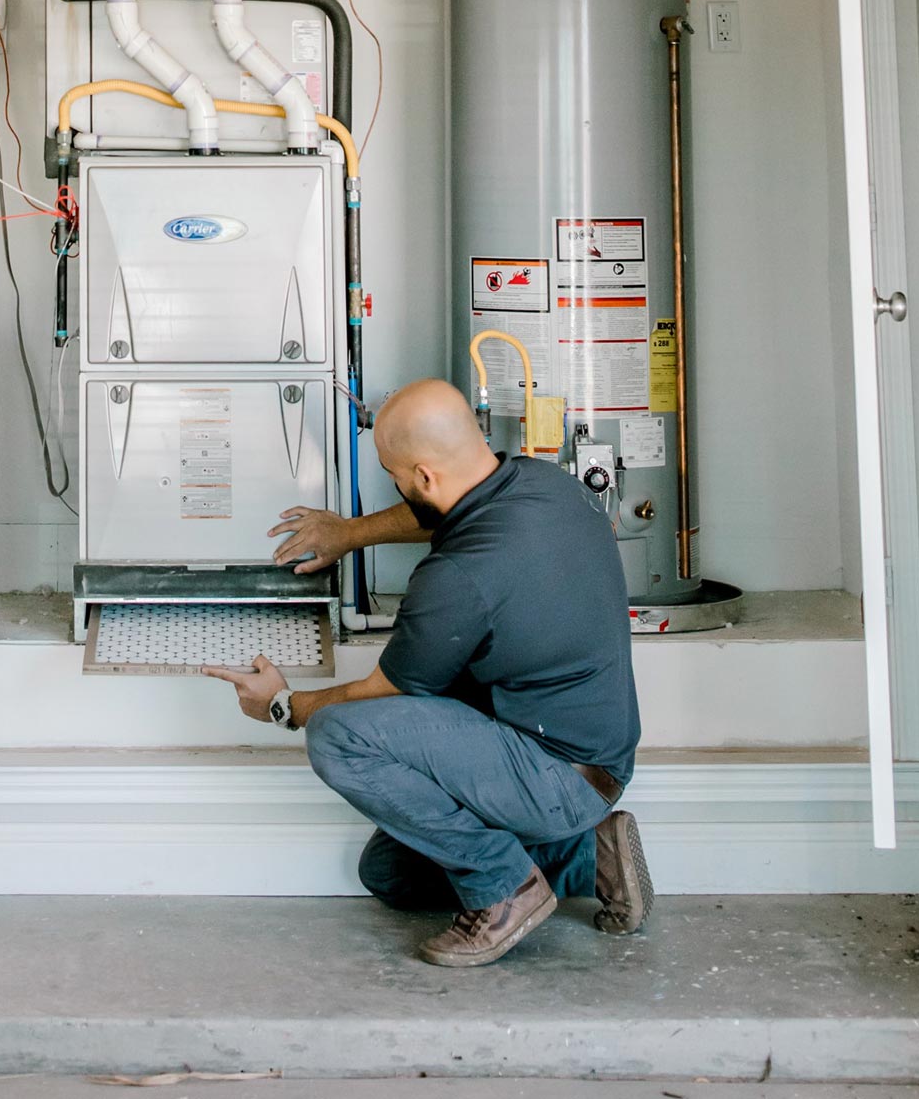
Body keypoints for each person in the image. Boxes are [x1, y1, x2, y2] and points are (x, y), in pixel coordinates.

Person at [203, 378, 649, 967]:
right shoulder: (548, 486)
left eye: (395, 473)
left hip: (552, 777)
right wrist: (350, 533)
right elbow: (444, 515)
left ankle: (505, 893)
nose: (396, 483)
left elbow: (375, 696)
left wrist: (282, 705)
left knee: (339, 734)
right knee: (389, 874)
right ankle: (589, 856)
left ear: (424, 477)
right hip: (598, 762)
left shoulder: (457, 579)